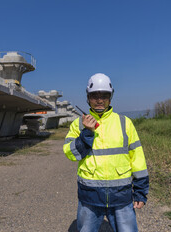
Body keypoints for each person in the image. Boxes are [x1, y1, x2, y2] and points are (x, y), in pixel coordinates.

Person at [63, 73, 149, 232]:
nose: (100, 100)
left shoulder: (125, 123)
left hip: (121, 197)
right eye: (95, 95)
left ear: (111, 97)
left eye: (104, 95)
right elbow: (70, 154)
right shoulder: (78, 125)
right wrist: (86, 134)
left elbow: (138, 159)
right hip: (90, 197)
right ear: (88, 97)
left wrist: (140, 192)